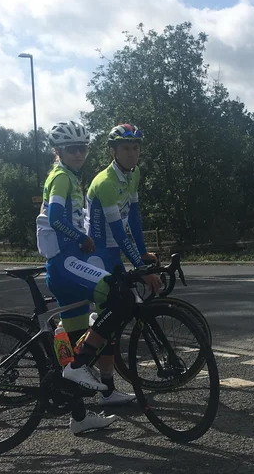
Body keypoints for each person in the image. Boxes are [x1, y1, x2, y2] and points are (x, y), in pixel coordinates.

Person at [36, 120, 161, 434]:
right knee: (118, 299)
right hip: (66, 263)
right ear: (58, 151)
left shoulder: (71, 176)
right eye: (71, 149)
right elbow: (54, 218)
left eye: (82, 148)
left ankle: (79, 417)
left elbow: (132, 217)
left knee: (84, 340)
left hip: (70, 262)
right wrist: (80, 239)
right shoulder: (63, 177)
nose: (78, 154)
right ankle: (79, 369)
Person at [82, 123, 160, 401]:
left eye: (136, 148)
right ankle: (105, 389)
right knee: (111, 318)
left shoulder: (134, 173)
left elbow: (135, 218)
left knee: (112, 319)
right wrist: (140, 268)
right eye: (125, 148)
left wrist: (142, 252)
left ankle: (105, 384)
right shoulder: (105, 182)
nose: (132, 153)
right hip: (99, 254)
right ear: (113, 151)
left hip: (114, 252)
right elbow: (117, 231)